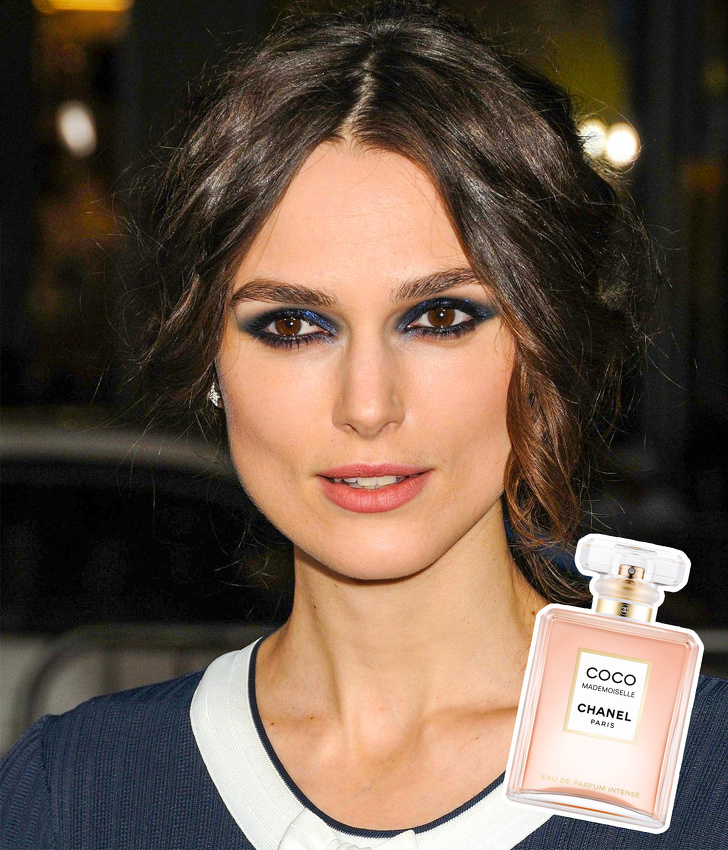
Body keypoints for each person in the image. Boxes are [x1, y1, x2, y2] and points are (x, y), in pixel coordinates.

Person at [2, 2, 726, 848]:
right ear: (209, 362)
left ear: (544, 343)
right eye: (294, 326)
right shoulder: (76, 790)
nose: (369, 405)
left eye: (440, 318)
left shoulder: (708, 780)